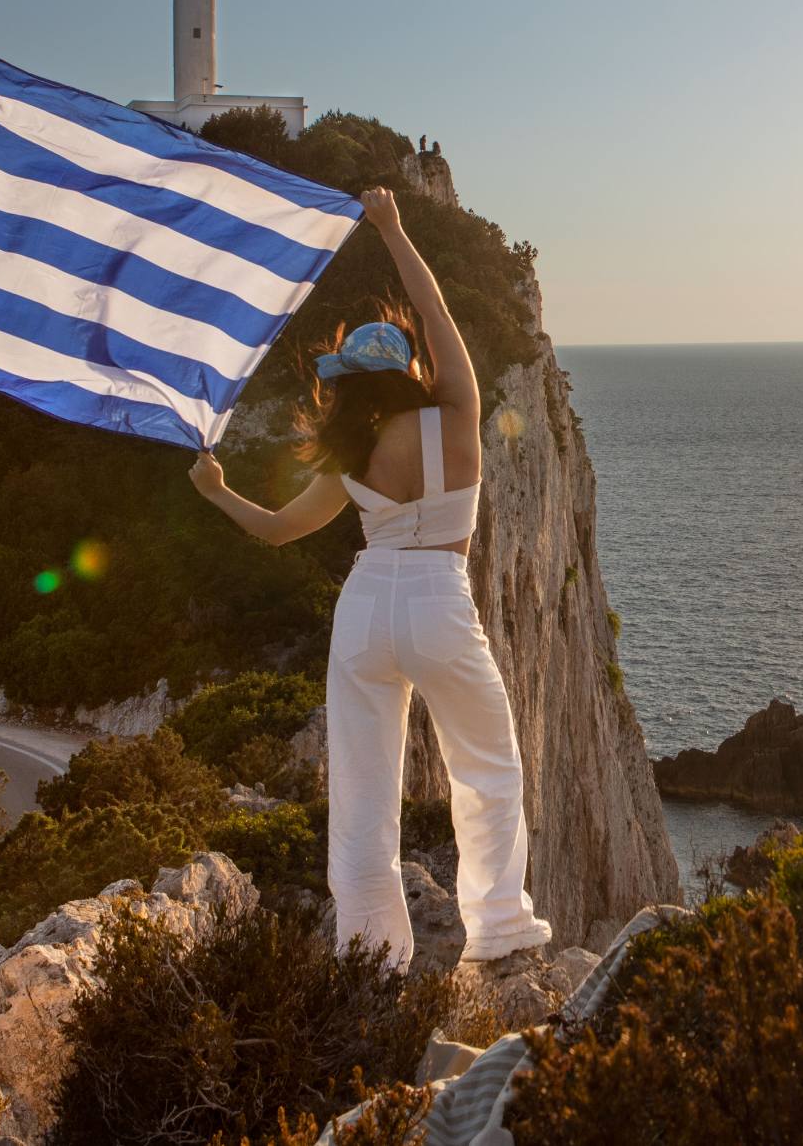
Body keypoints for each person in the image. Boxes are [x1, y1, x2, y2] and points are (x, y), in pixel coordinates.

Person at [188, 185, 551, 969]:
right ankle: (497, 928)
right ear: (412, 367)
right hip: (437, 598)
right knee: (487, 768)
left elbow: (281, 530)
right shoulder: (455, 414)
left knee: (361, 800)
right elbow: (437, 308)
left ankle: (372, 959)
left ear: (351, 381)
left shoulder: (352, 452)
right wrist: (390, 228)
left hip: (365, 605)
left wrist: (218, 493)